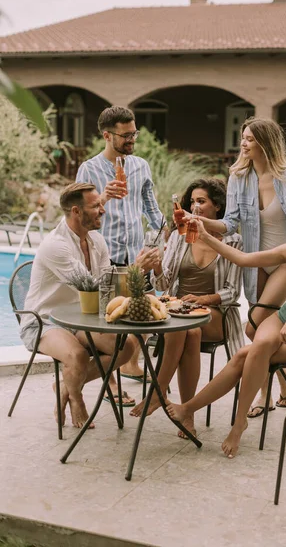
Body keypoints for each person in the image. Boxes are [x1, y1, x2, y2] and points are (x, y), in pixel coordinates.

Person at [167, 197, 286, 458]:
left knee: (248, 354)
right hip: (280, 322)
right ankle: (209, 415)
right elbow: (242, 259)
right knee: (258, 348)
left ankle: (229, 421)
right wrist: (205, 235)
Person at [195, 117, 286, 416]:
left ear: (265, 142)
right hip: (256, 259)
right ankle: (282, 388)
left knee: (254, 325)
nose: (243, 143)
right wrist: (200, 220)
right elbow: (230, 224)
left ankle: (264, 395)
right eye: (242, 138)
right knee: (260, 332)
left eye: (249, 139)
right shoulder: (238, 178)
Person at [19, 182, 153, 429]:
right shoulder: (55, 245)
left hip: (81, 318)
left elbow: (107, 288)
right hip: (44, 321)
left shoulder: (96, 240)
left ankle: (67, 386)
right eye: (96, 206)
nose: (103, 210)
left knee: (126, 346)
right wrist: (134, 270)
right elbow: (92, 288)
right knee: (77, 356)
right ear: (76, 212)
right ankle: (77, 398)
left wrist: (136, 276)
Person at [131, 178, 244, 438]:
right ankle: (187, 414)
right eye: (192, 201)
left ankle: (158, 392)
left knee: (188, 327)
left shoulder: (233, 241)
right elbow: (163, 284)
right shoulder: (182, 236)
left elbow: (232, 291)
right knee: (188, 332)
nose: (195, 206)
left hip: (215, 314)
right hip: (179, 311)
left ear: (217, 206)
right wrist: (157, 267)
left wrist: (204, 299)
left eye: (201, 201)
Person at [76, 105, 164, 383]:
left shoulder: (141, 166)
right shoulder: (88, 169)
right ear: (107, 135)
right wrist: (102, 198)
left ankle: (131, 364)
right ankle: (111, 385)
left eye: (133, 133)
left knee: (144, 314)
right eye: (125, 135)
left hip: (136, 256)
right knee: (108, 325)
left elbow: (152, 209)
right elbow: (78, 217)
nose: (131, 140)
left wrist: (169, 233)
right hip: (105, 258)